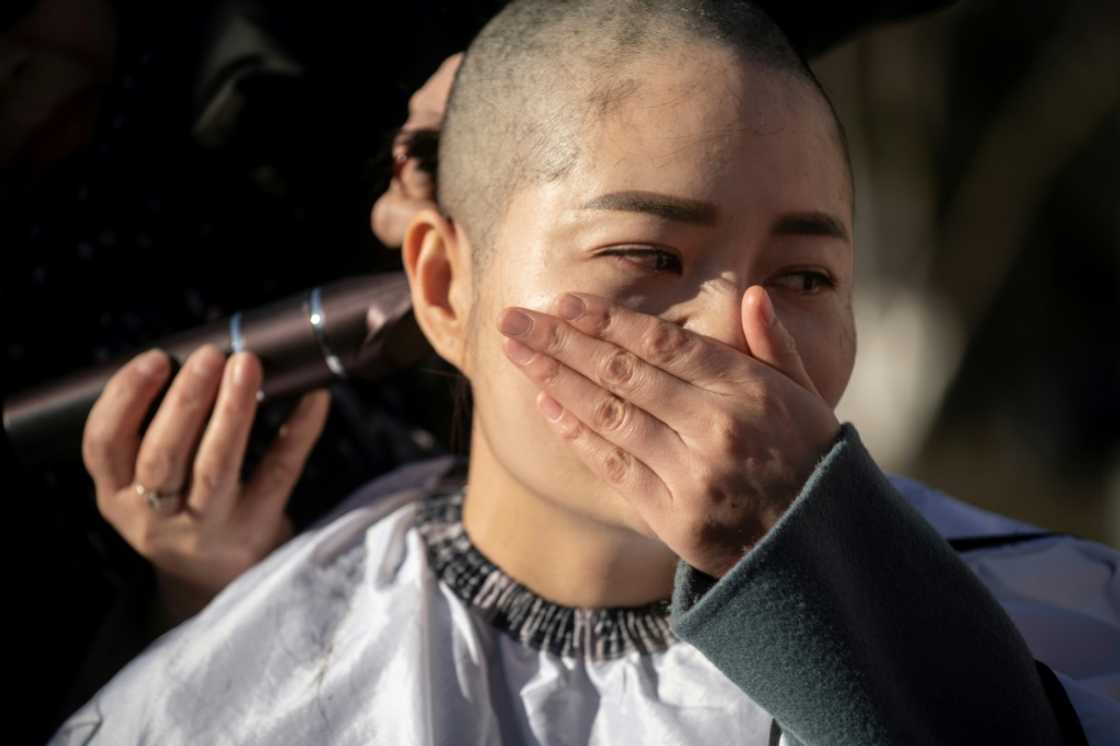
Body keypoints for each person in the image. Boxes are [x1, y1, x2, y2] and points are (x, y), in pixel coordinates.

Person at [51, 1, 1120, 744]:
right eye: (647, 258)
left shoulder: (1072, 619)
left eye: (804, 274)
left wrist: (834, 582)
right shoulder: (222, 696)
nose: (742, 339)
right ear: (440, 284)